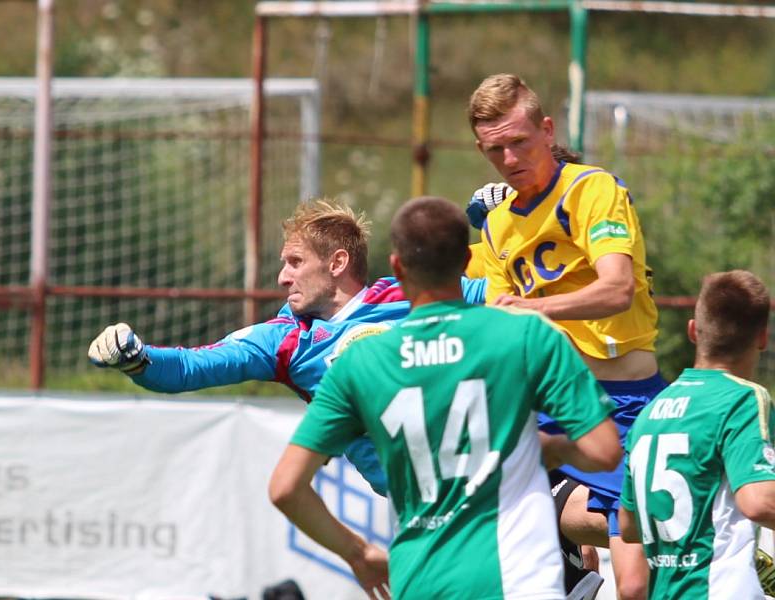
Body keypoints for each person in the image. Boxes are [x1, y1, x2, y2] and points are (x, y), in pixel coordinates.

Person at [269, 196, 622, 599]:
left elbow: (285, 488)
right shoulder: (526, 334)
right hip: (520, 576)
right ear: (464, 263)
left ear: (397, 267)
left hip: (422, 579)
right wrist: (546, 449)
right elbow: (604, 452)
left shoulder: (358, 362)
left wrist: (359, 553)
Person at [87, 199, 487, 497]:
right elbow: (193, 367)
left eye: (295, 262)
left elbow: (513, 296)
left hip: (493, 471)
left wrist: (506, 220)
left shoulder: (409, 292)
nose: (282, 277)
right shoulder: (285, 341)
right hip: (424, 504)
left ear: (337, 263)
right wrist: (139, 358)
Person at [467, 73, 666, 599]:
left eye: (519, 143)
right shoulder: (496, 228)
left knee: (634, 583)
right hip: (556, 407)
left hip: (629, 401)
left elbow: (617, 289)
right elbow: (490, 316)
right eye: (494, 151)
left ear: (547, 130)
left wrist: (533, 309)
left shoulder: (589, 189)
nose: (509, 160)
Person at [620, 269, 775, 598]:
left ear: (693, 331)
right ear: (762, 337)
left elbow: (628, 525)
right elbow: (759, 501)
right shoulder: (743, 398)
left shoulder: (650, 412)